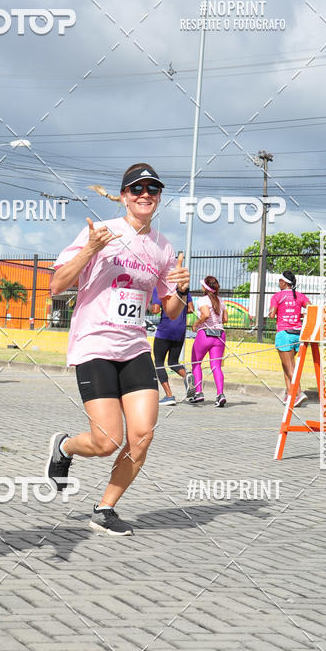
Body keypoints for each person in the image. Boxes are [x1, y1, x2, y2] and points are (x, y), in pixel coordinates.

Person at [45, 163, 189, 536]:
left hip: (135, 347)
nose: (145, 195)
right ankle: (66, 447)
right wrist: (89, 250)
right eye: (137, 189)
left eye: (152, 190)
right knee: (106, 440)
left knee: (142, 435)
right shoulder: (102, 232)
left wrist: (181, 291)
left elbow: (169, 309)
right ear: (124, 196)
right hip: (95, 344)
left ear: (158, 198)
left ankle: (105, 508)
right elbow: (57, 285)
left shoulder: (162, 246)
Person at [268, 271, 310, 406]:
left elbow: (271, 315)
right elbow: (311, 309)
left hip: (284, 334)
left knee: (289, 366)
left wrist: (274, 311)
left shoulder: (277, 296)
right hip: (298, 334)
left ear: (283, 282)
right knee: (287, 365)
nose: (278, 283)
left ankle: (299, 392)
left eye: (279, 280)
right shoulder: (300, 296)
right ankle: (289, 395)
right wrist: (300, 315)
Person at [149, 284, 195, 405]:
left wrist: (150, 306)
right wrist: (179, 311)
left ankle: (169, 396)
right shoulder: (183, 288)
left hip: (165, 330)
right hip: (180, 331)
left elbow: (155, 310)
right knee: (173, 362)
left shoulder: (160, 288)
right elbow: (191, 309)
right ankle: (187, 375)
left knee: (159, 363)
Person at [190, 276, 228, 407]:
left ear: (205, 287)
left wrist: (196, 324)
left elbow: (205, 315)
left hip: (205, 334)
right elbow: (225, 319)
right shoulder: (221, 301)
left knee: (196, 362)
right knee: (216, 365)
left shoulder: (202, 300)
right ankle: (220, 394)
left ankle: (199, 392)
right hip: (220, 335)